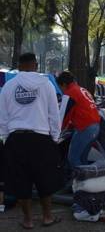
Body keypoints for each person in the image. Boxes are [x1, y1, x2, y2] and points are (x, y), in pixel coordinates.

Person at [0, 53, 62, 229]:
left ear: (19, 66)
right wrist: (55, 137)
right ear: (35, 65)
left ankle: (28, 220)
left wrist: (5, 138)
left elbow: (3, 117)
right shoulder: (46, 84)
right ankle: (47, 217)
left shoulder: (8, 86)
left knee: (21, 180)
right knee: (45, 179)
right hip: (41, 138)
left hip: (16, 138)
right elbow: (54, 114)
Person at [56, 71, 100, 168]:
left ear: (63, 84)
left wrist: (55, 133)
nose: (61, 91)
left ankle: (80, 182)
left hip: (85, 128)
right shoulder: (82, 89)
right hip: (95, 127)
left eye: (60, 87)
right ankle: (87, 181)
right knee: (83, 159)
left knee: (73, 158)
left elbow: (62, 116)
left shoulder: (69, 93)